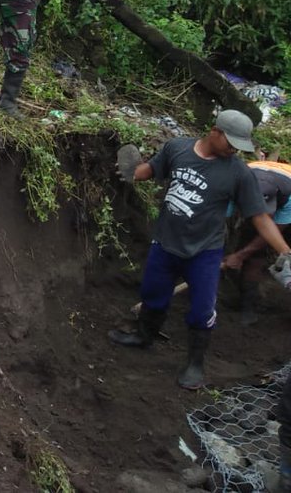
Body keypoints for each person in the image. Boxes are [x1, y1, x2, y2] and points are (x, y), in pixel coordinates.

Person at [107, 110, 291, 390]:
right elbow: (152, 169)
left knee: (202, 310)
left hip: (204, 252)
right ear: (214, 131)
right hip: (166, 242)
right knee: (154, 293)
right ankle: (144, 336)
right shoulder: (177, 148)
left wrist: (285, 251)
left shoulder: (239, 173)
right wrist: (133, 171)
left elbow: (260, 217)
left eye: (239, 146)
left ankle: (195, 364)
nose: (234, 150)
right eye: (231, 143)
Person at [221, 159, 291, 324]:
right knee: (251, 251)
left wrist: (239, 256)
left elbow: (271, 232)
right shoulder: (233, 185)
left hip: (287, 197)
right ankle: (247, 303)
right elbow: (218, 220)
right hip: (267, 181)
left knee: (260, 254)